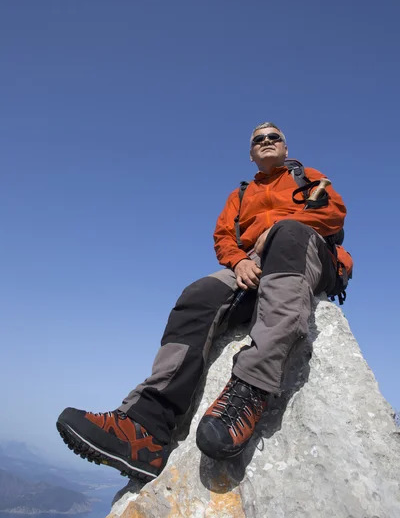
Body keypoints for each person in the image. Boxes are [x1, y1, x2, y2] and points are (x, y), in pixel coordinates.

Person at [57, 122, 351, 482]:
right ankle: (145, 428)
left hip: (307, 254)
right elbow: (223, 238)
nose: (267, 142)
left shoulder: (306, 176)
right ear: (251, 153)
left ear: (285, 148)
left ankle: (251, 390)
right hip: (253, 265)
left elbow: (332, 213)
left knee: (289, 233)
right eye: (259, 139)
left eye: (274, 137)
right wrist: (239, 261)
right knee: (199, 293)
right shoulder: (240, 195)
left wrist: (277, 229)